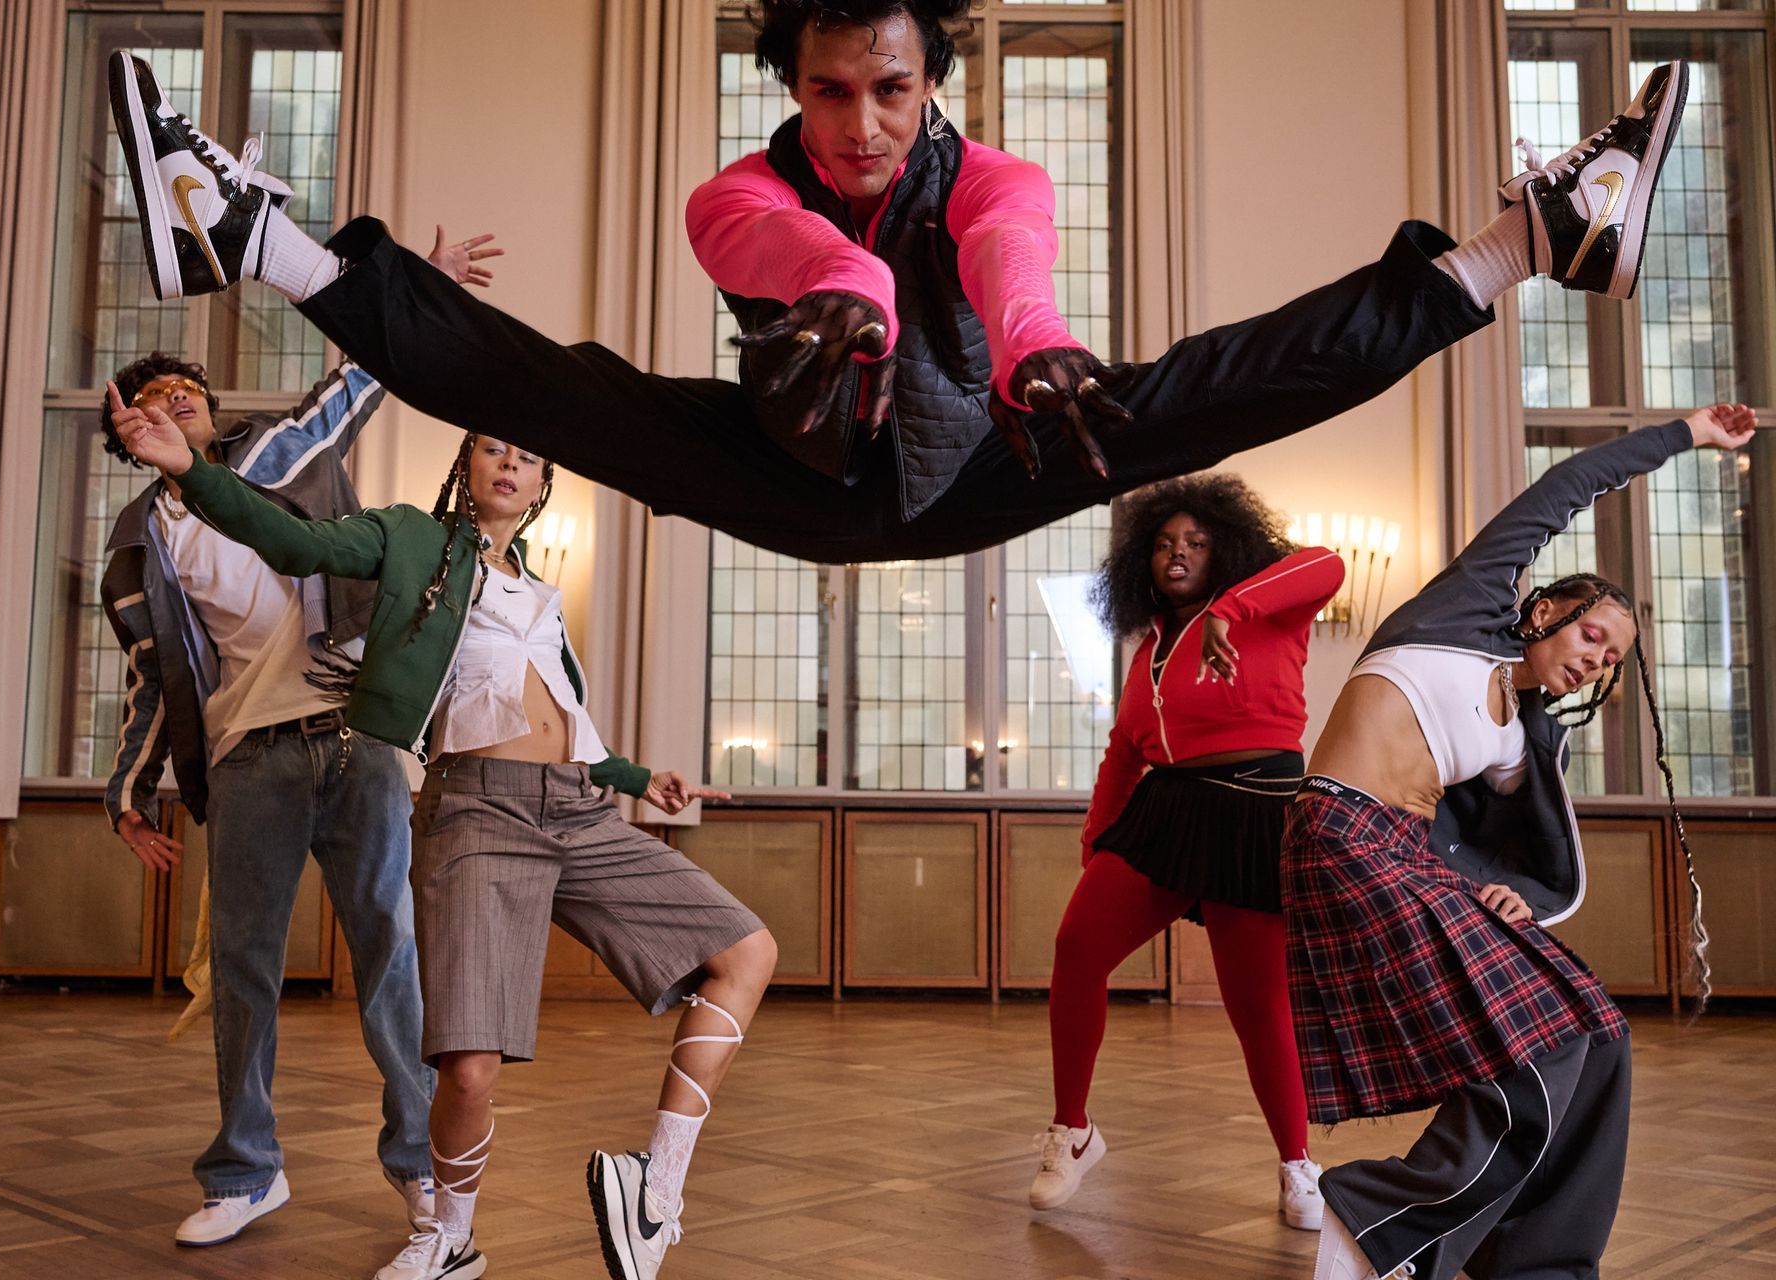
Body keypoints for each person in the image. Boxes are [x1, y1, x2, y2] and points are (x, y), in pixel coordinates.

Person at [103, 5, 1689, 563]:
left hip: (996, 450)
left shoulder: (996, 175)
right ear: (790, 82)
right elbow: (780, 246)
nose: (860, 127)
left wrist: (1049, 358)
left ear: (935, 78)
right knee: (562, 390)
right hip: (794, 463)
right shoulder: (741, 186)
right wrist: (846, 293)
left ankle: (1530, 244)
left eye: (891, 91)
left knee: (1208, 384)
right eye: (828, 92)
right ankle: (252, 238)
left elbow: (1013, 265)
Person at [108, 395, 779, 1280]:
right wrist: (190, 472)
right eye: (494, 447)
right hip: (479, 812)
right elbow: (295, 543)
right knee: (466, 1069)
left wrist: (633, 777)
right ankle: (448, 1239)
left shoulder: (541, 589)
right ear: (467, 463)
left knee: (746, 951)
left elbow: (563, 712)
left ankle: (656, 1192)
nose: (511, 462)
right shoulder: (408, 541)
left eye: (529, 456)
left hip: (575, 806)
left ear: (542, 485)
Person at [98, 233, 496, 1252]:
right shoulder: (141, 550)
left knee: (390, 956)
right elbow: (152, 682)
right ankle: (246, 1170)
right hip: (251, 758)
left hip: (355, 737)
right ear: (126, 431)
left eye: (189, 389)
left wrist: (416, 285)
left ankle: (421, 1164)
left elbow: (354, 381)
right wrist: (127, 791)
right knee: (243, 967)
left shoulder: (276, 455)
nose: (178, 399)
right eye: (156, 397)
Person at [1292, 404, 1753, 1280]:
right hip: (1343, 833)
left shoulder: (1521, 738)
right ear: (1543, 607)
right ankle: (1378, 1230)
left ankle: (1537, 1265)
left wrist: (1512, 897)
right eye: (1591, 634)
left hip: (1406, 861)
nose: (1597, 660)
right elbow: (1564, 488)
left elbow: (1510, 854)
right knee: (1542, 1040)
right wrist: (1687, 433)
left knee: (1600, 1029)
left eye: (1613, 657)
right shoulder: (1459, 615)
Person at [1032, 475, 1340, 1230]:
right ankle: (1073, 1131)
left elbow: (1328, 561)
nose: (1178, 554)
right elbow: (1122, 753)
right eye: (1165, 543)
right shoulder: (1151, 651)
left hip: (1256, 808)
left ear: (1226, 551)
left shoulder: (1271, 612)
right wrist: (1094, 841)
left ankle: (1298, 1168)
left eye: (1197, 543)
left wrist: (1231, 610)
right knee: (1078, 947)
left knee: (1254, 1003)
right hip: (1166, 809)